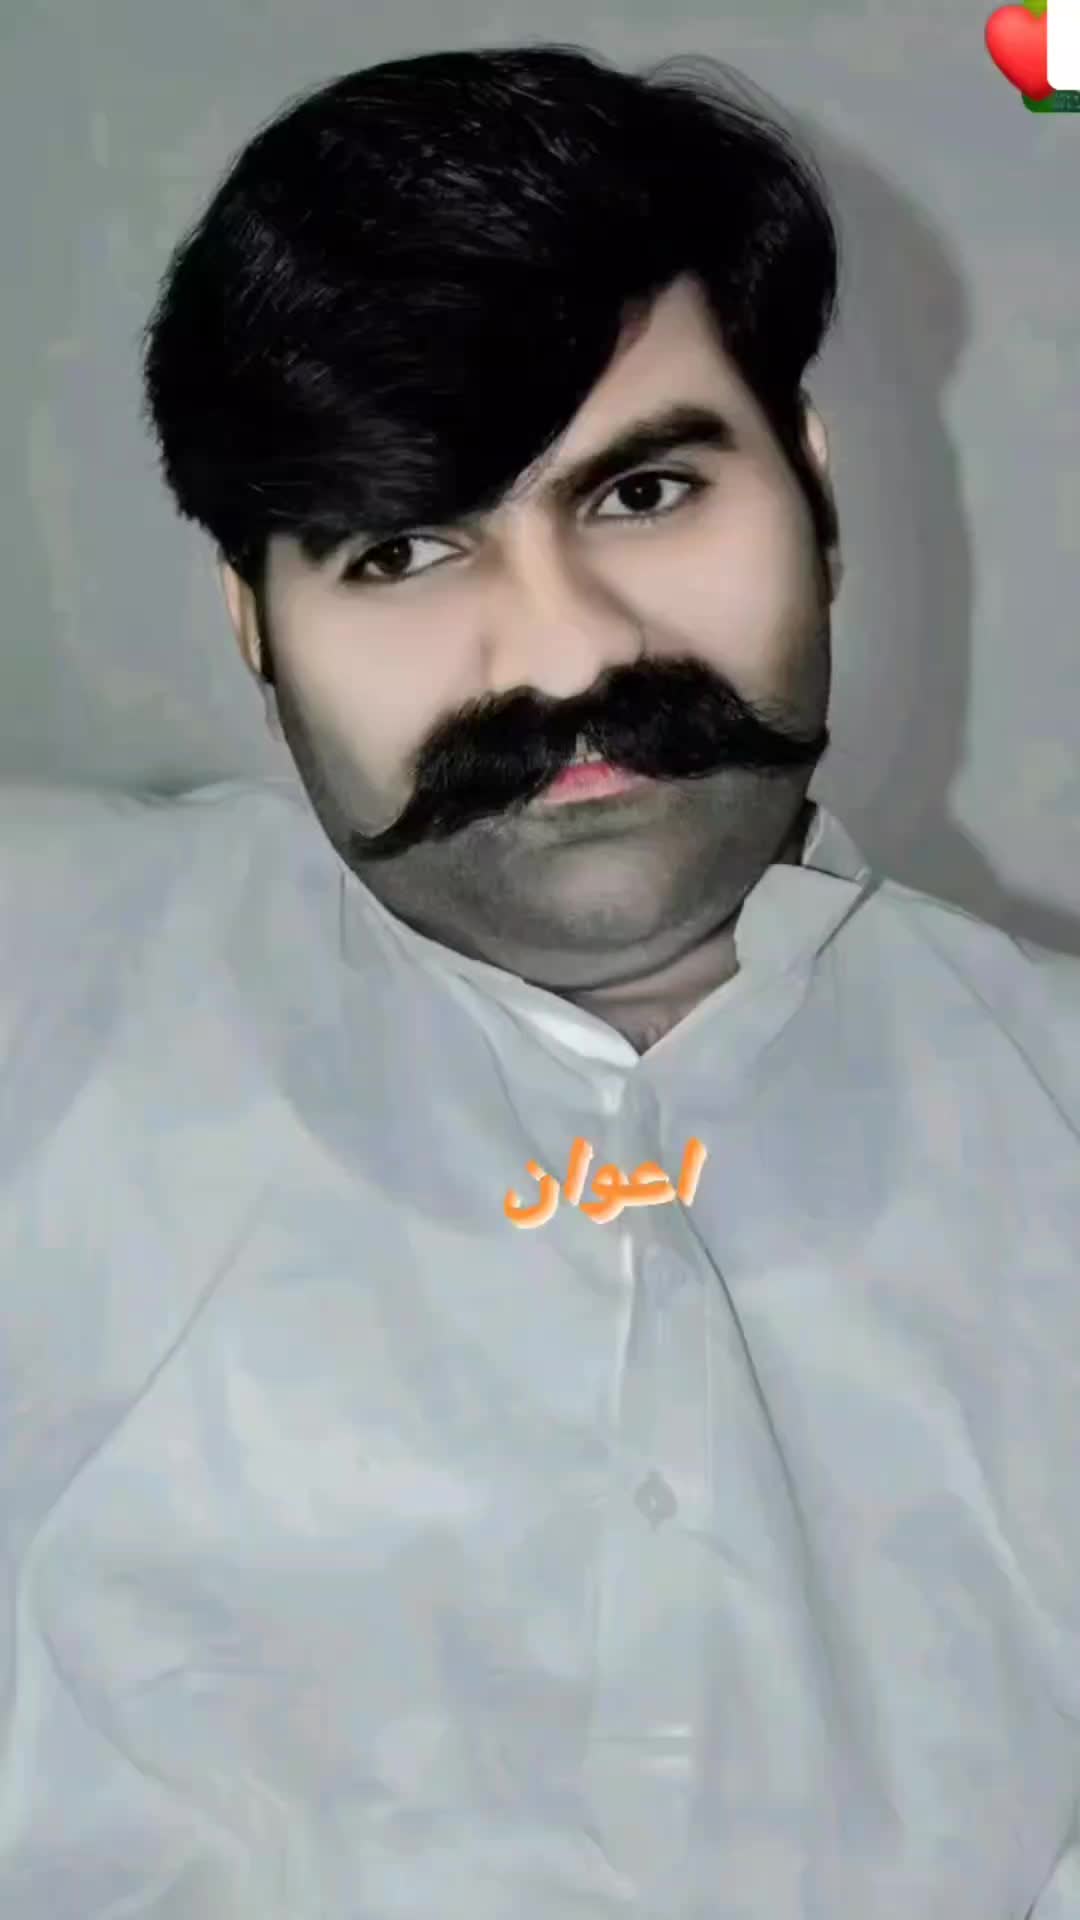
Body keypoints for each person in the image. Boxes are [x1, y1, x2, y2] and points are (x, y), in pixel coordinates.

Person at [2, 39, 1079, 1920]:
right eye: (405, 547)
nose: (565, 655)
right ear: (254, 622)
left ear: (815, 495)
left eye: (644, 492)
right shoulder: (43, 987)